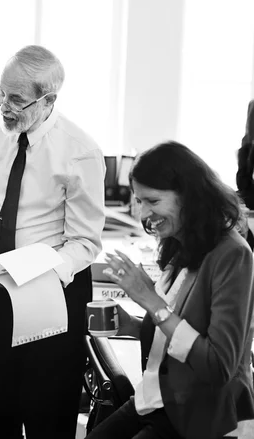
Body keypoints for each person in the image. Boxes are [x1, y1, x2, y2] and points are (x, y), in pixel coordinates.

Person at [0, 44, 106, 438]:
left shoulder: (81, 152)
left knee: (47, 411)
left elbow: (85, 242)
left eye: (16, 99)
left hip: (52, 292)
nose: (3, 105)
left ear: (48, 100)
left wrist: (35, 270)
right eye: (1, 93)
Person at [87, 141, 254, 439]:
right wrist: (133, 324)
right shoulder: (181, 243)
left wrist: (151, 301)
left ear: (188, 196)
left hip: (198, 412)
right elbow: (175, 335)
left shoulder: (232, 254)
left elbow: (218, 365)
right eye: (139, 201)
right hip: (157, 397)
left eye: (152, 201)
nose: (143, 213)